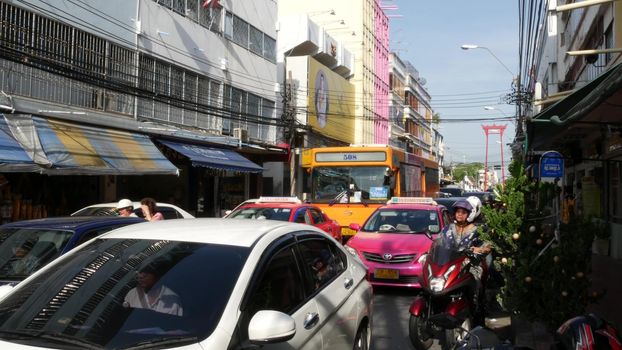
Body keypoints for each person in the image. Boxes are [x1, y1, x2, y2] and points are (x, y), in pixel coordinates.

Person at [442, 197, 491, 321]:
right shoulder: (448, 228)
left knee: (476, 282)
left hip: (471, 263)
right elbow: (438, 241)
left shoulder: (478, 229)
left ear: (468, 215)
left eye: (463, 212)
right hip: (451, 263)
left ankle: (476, 311)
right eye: (458, 212)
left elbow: (488, 245)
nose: (460, 214)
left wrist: (479, 249)